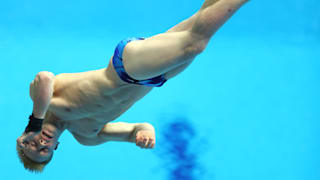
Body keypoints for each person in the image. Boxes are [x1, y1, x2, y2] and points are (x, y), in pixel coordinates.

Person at [16, 0, 249, 172]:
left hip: (126, 67)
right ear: (55, 148)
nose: (41, 143)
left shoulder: (44, 103)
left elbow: (45, 76)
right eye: (44, 150)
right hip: (155, 79)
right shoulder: (88, 136)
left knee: (195, 44)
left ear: (24, 137)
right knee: (200, 20)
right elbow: (135, 129)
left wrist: (34, 122)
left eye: (32, 144)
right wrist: (145, 133)